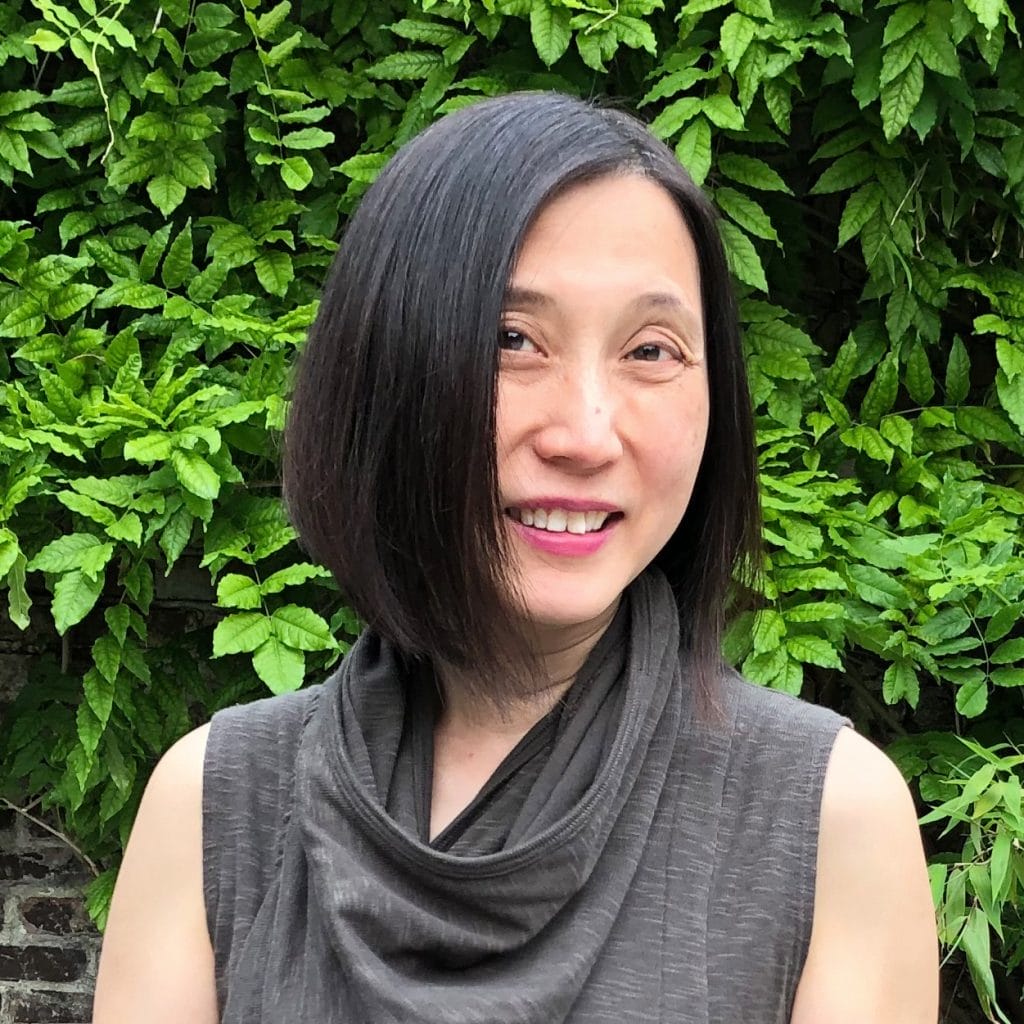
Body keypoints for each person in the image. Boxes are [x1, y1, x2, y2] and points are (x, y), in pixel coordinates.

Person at [92, 92, 938, 1023]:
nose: (585, 433)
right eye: (511, 340)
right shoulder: (214, 806)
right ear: (388, 372)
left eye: (651, 350)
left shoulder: (829, 822)